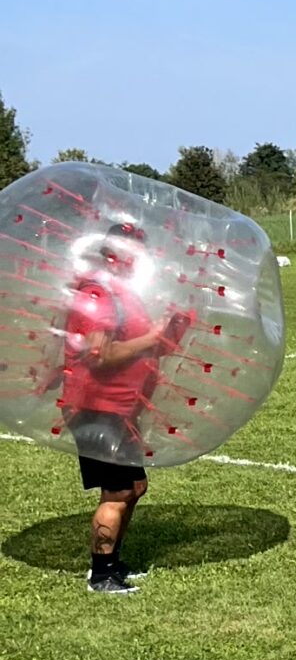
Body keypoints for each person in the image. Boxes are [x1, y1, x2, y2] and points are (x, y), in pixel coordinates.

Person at [57, 219, 189, 595]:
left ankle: (113, 562)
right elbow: (101, 355)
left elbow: (144, 345)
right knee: (116, 492)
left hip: (122, 408)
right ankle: (101, 575)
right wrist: (150, 337)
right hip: (96, 409)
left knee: (135, 486)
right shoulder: (98, 294)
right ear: (115, 254)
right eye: (134, 249)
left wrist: (169, 331)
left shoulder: (125, 293)